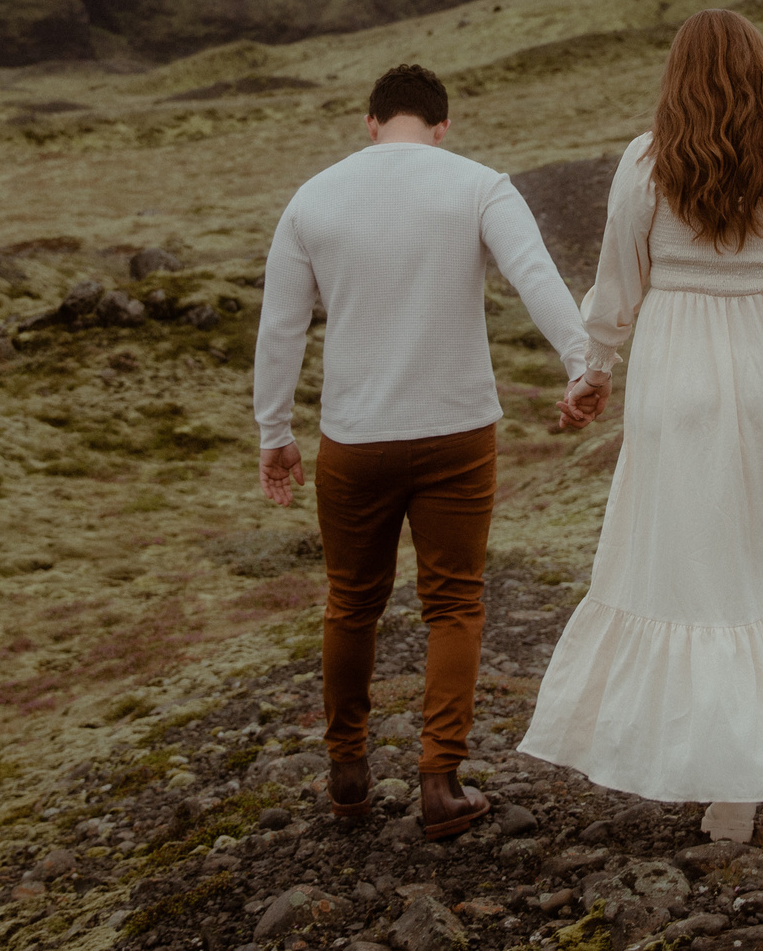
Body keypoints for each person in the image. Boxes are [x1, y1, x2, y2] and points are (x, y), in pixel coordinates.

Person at [519, 9, 763, 844]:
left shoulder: (648, 161)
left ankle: (744, 767)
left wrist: (593, 371)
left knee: (702, 564)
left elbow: (618, 284)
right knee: (753, 550)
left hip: (675, 370)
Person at [253, 62, 606, 839]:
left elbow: (281, 328)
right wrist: (584, 365)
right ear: (443, 127)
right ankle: (440, 783)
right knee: (453, 602)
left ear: (371, 123)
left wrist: (273, 433)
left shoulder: (313, 198)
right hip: (457, 433)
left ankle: (348, 772)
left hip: (354, 439)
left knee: (352, 603)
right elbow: (535, 277)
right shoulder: (477, 184)